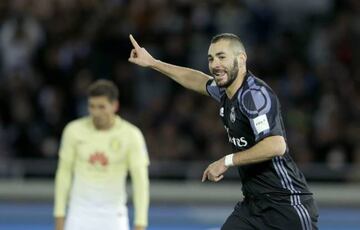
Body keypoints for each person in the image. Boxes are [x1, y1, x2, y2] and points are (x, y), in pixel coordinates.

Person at [128, 33, 318, 230]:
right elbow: (196, 79)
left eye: (222, 57)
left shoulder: (253, 95)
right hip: (253, 206)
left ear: (241, 59)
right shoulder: (226, 91)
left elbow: (276, 145)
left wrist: (227, 161)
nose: (215, 64)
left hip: (286, 206)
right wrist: (153, 62)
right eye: (211, 59)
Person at [53, 79, 150, 230]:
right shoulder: (73, 131)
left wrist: (140, 223)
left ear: (115, 106)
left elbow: (140, 182)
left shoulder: (131, 135)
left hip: (114, 216)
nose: (96, 113)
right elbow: (63, 174)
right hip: (79, 214)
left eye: (101, 107)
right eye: (92, 106)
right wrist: (59, 216)